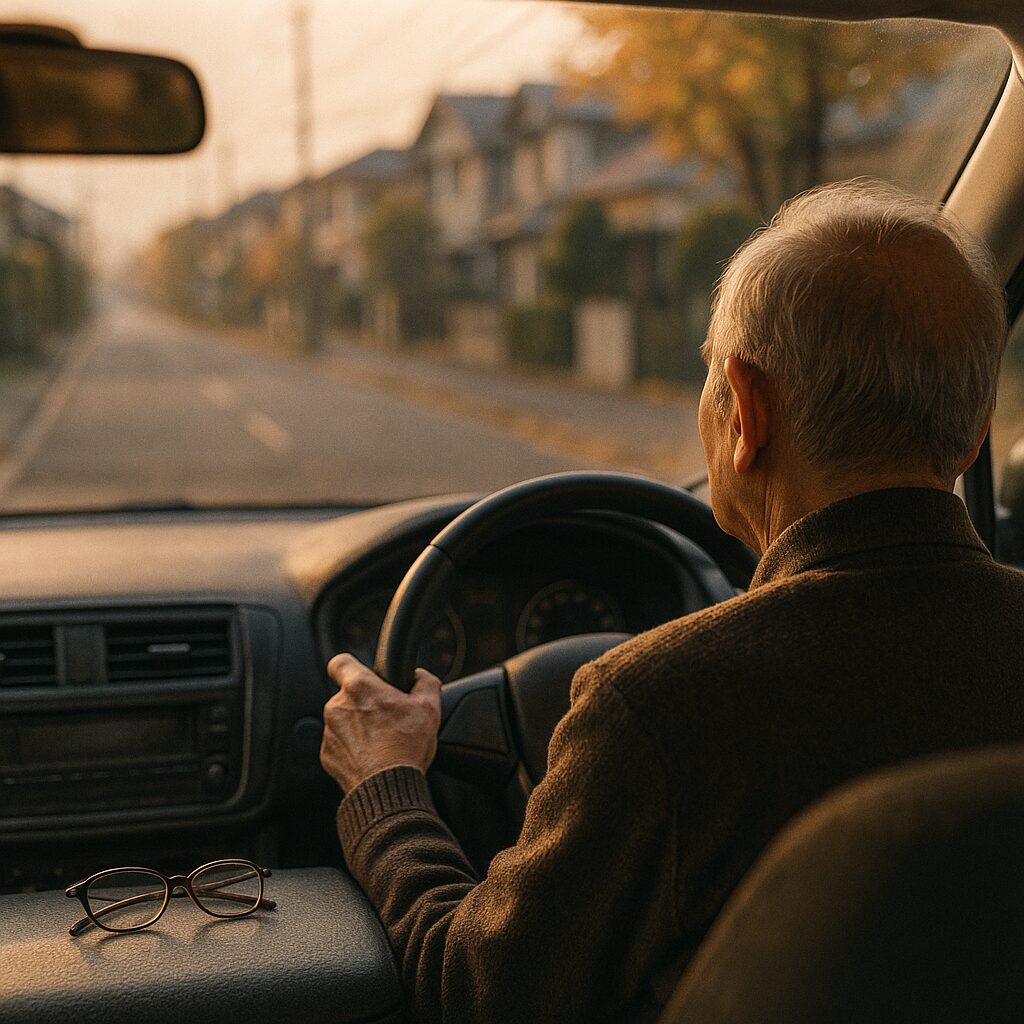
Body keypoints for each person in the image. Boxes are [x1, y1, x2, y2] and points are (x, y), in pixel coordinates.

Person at [319, 179, 1019, 1023]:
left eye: (708, 381)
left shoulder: (660, 705)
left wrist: (387, 786)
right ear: (980, 425)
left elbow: (476, 989)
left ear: (747, 411)